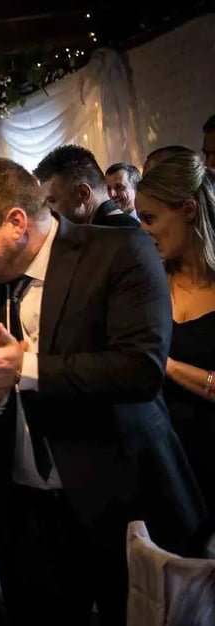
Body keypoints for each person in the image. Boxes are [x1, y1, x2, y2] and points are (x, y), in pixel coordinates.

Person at [0, 157, 206, 626]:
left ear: (16, 222)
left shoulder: (119, 252)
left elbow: (140, 369)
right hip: (27, 518)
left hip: (125, 506)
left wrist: (28, 368)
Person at [136, 152, 215, 536]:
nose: (143, 229)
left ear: (187, 209)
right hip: (165, 467)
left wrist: (161, 363)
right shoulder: (148, 285)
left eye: (150, 218)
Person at [34, 144, 139, 227]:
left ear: (83, 194)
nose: (48, 210)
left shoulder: (109, 238)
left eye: (52, 201)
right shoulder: (123, 228)